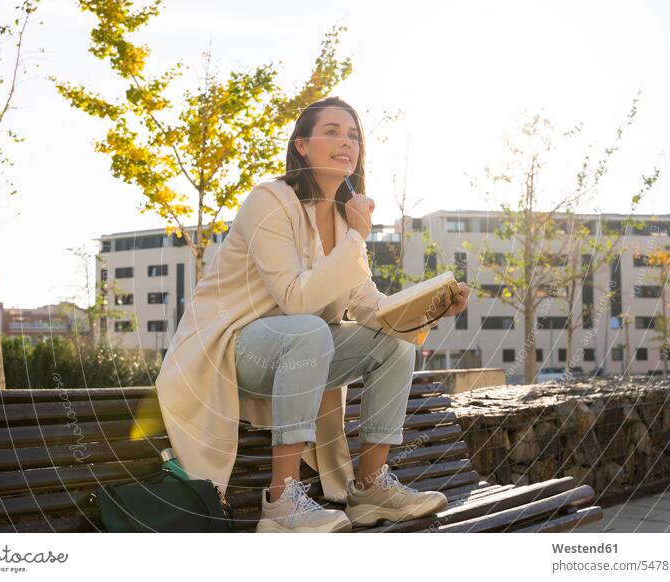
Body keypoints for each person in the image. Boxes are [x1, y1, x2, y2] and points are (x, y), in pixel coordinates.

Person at [154, 96, 469, 533]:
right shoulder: (270, 200)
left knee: (394, 343)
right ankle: (283, 502)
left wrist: (431, 307)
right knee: (309, 329)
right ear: (301, 145)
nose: (346, 143)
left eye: (354, 135)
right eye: (332, 131)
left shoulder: (344, 218)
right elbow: (296, 300)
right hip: (229, 349)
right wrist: (357, 238)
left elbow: (368, 307)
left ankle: (371, 487)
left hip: (300, 351)